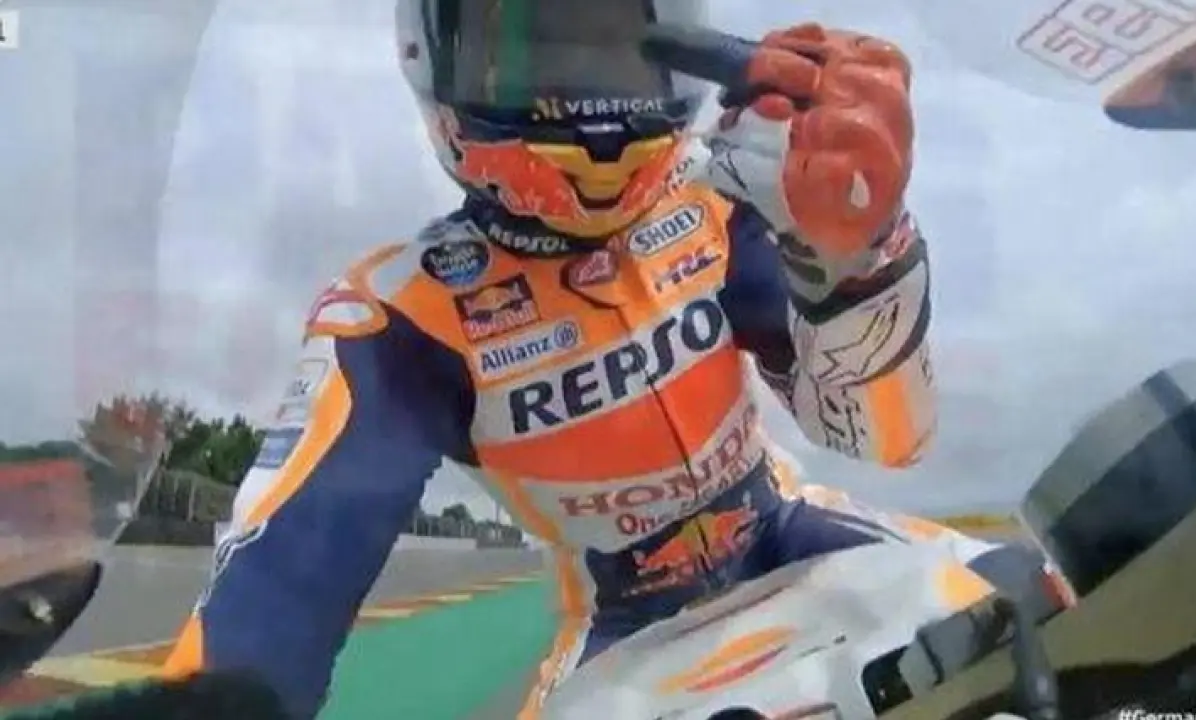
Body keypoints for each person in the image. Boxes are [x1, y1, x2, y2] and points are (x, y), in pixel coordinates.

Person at [162, 1, 1056, 717]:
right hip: (622, 627)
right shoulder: (402, 313)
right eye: (544, 44)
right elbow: (283, 583)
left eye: (618, 43)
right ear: (436, 56)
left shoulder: (726, 200)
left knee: (1045, 605)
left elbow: (884, 438)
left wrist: (860, 256)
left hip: (789, 534)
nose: (586, 85)